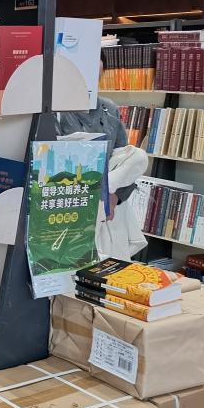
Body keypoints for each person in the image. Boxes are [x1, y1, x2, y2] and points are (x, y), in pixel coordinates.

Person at [56, 59, 148, 260]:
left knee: (138, 155)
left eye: (96, 75)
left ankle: (105, 186)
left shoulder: (109, 108)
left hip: (109, 189)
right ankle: (102, 187)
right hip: (75, 190)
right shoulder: (57, 110)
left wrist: (115, 196)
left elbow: (123, 155)